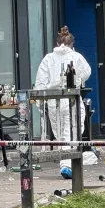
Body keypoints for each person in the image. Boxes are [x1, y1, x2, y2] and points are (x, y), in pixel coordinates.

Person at [33, 26, 92, 179]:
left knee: (60, 134)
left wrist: (41, 103)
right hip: (71, 100)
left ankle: (66, 164)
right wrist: (77, 77)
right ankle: (67, 164)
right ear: (72, 44)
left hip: (54, 102)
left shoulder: (48, 59)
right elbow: (86, 72)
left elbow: (40, 82)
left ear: (57, 43)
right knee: (72, 132)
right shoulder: (76, 56)